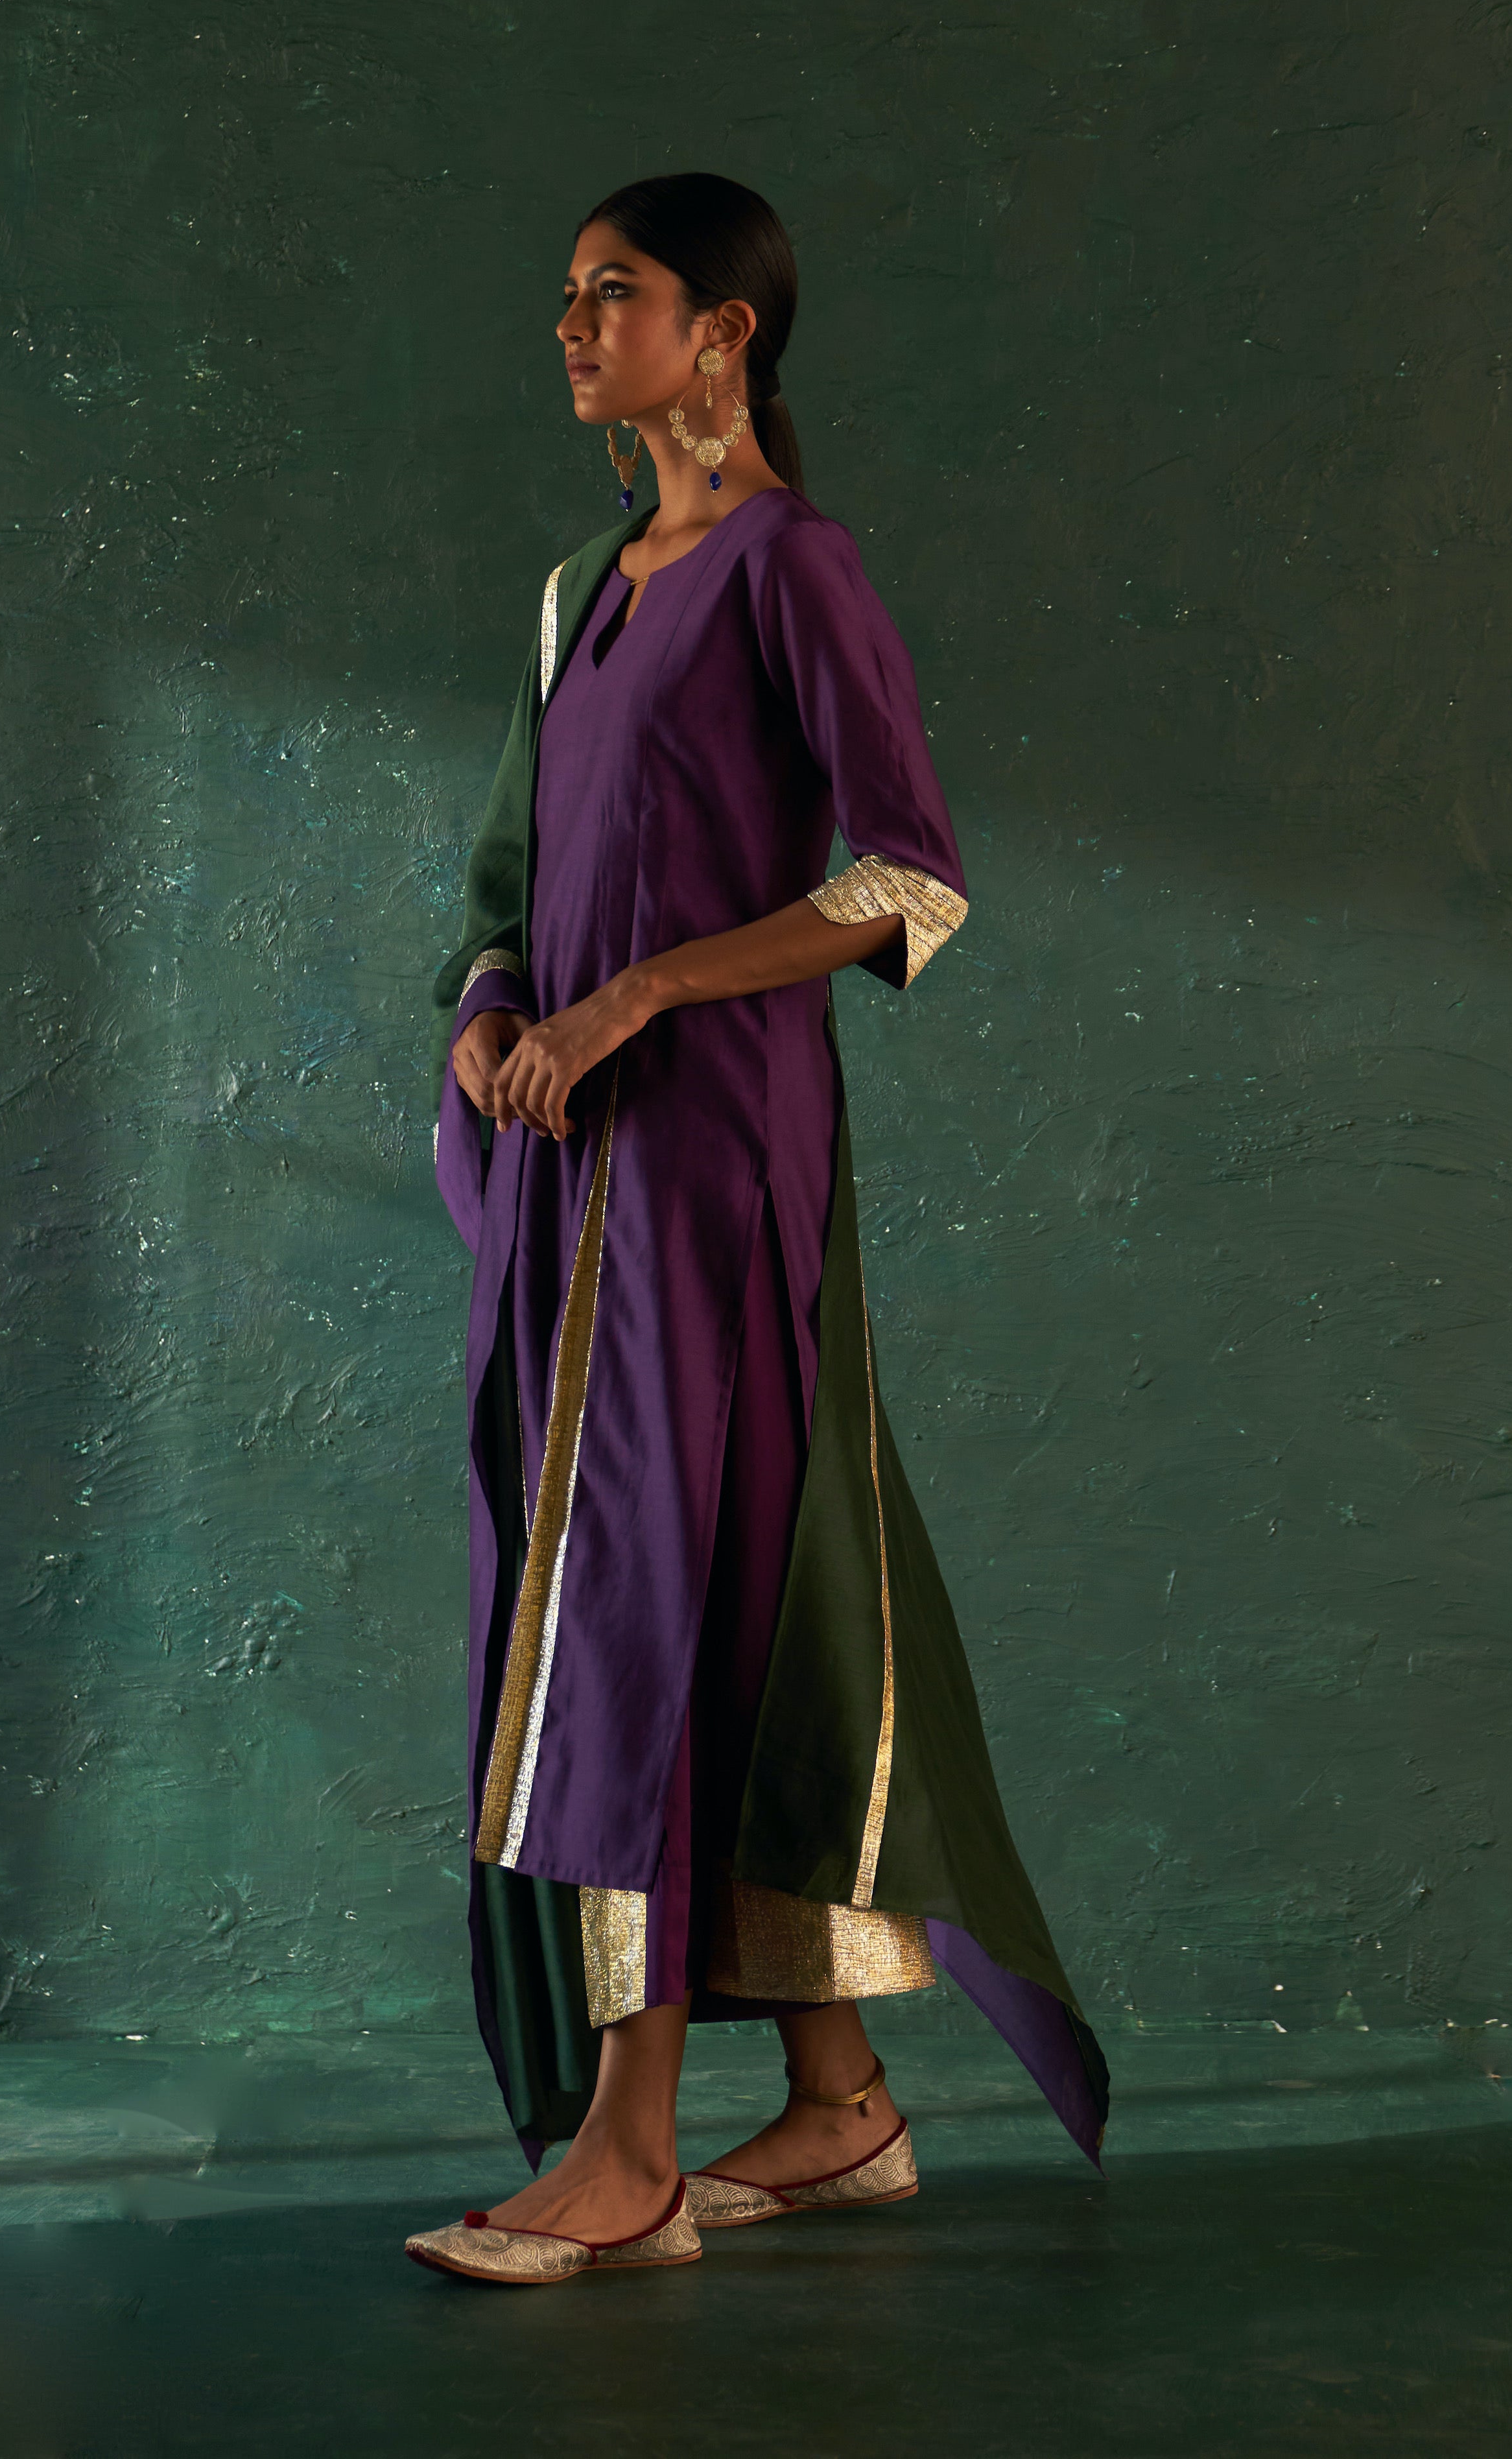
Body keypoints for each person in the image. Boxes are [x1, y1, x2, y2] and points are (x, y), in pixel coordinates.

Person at [405, 173, 1108, 2287]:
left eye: (611, 294)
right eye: (565, 295)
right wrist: (495, 1012)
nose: (570, 325)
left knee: (647, 1592)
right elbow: (505, 885)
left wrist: (642, 996)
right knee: (705, 1590)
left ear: (721, 333)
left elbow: (910, 878)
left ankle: (627, 2154)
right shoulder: (579, 593)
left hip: (715, 1162)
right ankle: (839, 2098)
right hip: (564, 1158)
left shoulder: (797, 567)